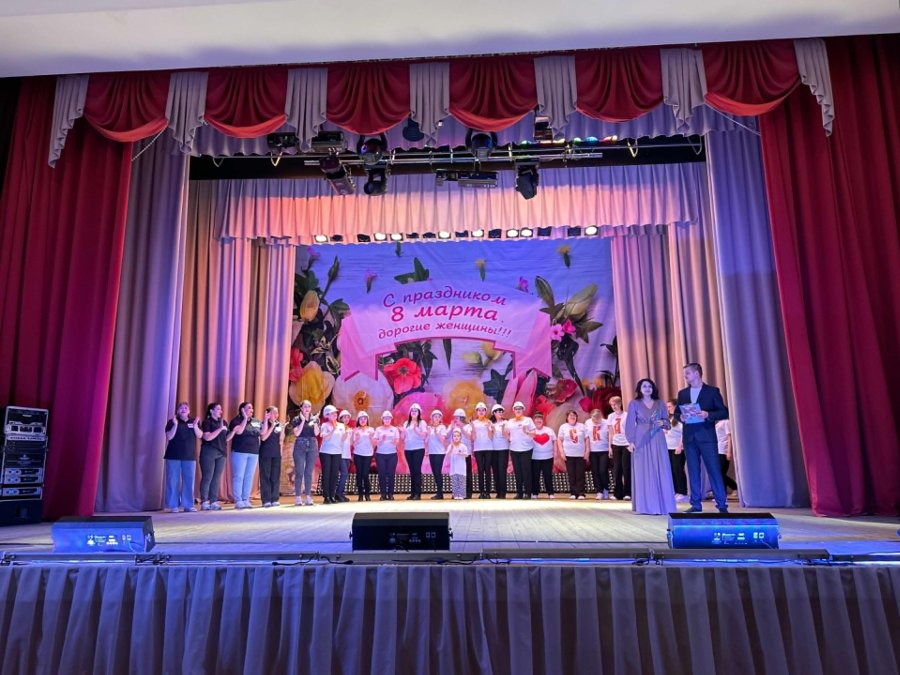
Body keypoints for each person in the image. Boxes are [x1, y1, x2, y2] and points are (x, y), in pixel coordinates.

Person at [674, 363, 729, 513]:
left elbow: (724, 412)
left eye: (687, 373)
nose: (685, 376)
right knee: (693, 471)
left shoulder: (712, 391)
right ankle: (696, 504)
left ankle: (722, 505)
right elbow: (677, 413)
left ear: (697, 374)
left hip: (707, 437)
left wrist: (708, 414)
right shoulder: (683, 393)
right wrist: (681, 417)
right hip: (689, 437)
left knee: (714, 469)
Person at [625, 378, 676, 515]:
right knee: (643, 471)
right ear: (639, 389)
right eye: (644, 386)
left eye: (649, 386)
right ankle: (645, 506)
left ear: (653, 389)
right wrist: (631, 441)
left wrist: (662, 423)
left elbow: (668, 424)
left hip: (657, 438)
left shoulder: (660, 403)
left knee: (661, 468)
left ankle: (663, 505)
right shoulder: (634, 404)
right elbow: (630, 423)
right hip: (641, 438)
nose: (647, 389)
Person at [163, 402, 202, 513]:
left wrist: (195, 426)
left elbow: (200, 435)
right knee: (172, 480)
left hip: (189, 456)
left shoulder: (193, 421)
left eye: (186, 408)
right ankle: (173, 505)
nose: (183, 409)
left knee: (189, 481)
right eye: (181, 408)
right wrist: (175, 425)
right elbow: (169, 437)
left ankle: (188, 505)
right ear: (177, 411)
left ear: (189, 411)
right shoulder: (172, 422)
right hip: (173, 455)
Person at [227, 401, 262, 509]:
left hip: (254, 452)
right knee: (239, 476)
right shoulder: (236, 420)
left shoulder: (256, 421)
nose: (251, 410)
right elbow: (239, 431)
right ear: (242, 409)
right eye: (249, 408)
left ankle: (246, 498)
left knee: (249, 476)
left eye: (252, 408)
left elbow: (260, 433)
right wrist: (245, 419)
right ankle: (238, 500)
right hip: (239, 452)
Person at [290, 400, 320, 506]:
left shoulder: (314, 419)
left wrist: (315, 422)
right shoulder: (296, 419)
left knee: (308, 472)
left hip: (312, 445)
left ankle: (308, 496)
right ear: (301, 408)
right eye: (305, 406)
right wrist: (303, 421)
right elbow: (297, 433)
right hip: (300, 445)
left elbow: (316, 433)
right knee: (299, 472)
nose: (307, 408)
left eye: (309, 406)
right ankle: (298, 497)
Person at [199, 401, 228, 511]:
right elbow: (207, 437)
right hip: (209, 451)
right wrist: (220, 429)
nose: (221, 411)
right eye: (218, 409)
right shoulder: (207, 422)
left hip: (221, 452)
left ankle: (213, 501)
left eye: (221, 409)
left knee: (216, 478)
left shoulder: (223, 422)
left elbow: (226, 438)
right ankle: (204, 501)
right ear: (211, 411)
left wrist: (234, 432)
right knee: (207, 477)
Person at [508, 401, 536, 499]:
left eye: (520, 409)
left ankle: (528, 493)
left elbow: (534, 434)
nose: (518, 410)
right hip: (514, 449)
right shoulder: (510, 421)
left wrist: (527, 432)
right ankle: (519, 493)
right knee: (517, 471)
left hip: (526, 449)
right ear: (513, 410)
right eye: (516, 409)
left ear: (523, 410)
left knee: (526, 471)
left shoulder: (528, 420)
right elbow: (507, 434)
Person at [558, 409, 588, 499]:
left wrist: (587, 451)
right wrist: (561, 452)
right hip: (568, 454)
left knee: (580, 474)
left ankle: (581, 493)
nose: (572, 417)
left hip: (580, 454)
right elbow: (559, 440)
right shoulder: (563, 427)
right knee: (571, 474)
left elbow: (587, 439)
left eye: (574, 415)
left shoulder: (582, 426)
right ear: (567, 418)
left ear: (576, 417)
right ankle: (573, 493)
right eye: (570, 415)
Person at [258, 406, 284, 507]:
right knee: (265, 476)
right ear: (268, 414)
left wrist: (282, 430)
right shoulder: (263, 424)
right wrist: (272, 426)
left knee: (275, 476)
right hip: (265, 453)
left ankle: (274, 498)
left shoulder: (279, 424)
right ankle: (266, 500)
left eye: (277, 413)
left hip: (276, 454)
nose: (276, 415)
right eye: (273, 413)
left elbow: (281, 440)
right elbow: (263, 437)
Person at [401, 403, 428, 500]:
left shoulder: (422, 423)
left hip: (418, 449)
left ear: (419, 412)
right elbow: (403, 438)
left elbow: (424, 436)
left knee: (417, 471)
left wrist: (416, 429)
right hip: (408, 449)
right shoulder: (406, 423)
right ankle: (412, 493)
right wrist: (402, 432)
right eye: (412, 411)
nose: (413, 412)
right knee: (412, 471)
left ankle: (417, 493)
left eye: (415, 411)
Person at [318, 405, 343, 504]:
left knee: (334, 474)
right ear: (327, 415)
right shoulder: (324, 425)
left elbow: (343, 439)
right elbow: (325, 438)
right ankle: (326, 496)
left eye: (335, 413)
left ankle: (332, 495)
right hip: (326, 452)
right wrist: (333, 429)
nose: (334, 415)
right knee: (327, 473)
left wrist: (347, 434)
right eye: (332, 413)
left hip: (337, 452)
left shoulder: (341, 426)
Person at [607, 396, 630, 501]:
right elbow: (611, 432)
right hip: (616, 444)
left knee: (626, 468)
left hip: (626, 444)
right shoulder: (611, 416)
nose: (613, 407)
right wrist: (610, 446)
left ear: (620, 404)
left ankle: (627, 492)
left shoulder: (626, 415)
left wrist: (631, 443)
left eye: (615, 404)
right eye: (612, 405)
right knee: (617, 469)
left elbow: (631, 430)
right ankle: (617, 493)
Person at [665, 399, 688, 502]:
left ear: (675, 406)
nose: (668, 409)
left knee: (678, 469)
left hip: (677, 448)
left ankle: (682, 492)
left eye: (670, 406)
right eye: (667, 407)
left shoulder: (680, 418)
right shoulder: (670, 418)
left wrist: (680, 446)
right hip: (668, 448)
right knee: (671, 470)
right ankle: (675, 491)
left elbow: (684, 433)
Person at [470, 401, 494, 499]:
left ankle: (488, 492)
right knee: (480, 470)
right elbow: (473, 438)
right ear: (476, 412)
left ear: (485, 411)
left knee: (487, 470)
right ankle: (481, 492)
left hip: (488, 448)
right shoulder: (474, 423)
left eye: (483, 410)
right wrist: (473, 428)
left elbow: (491, 437)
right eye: (479, 410)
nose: (481, 412)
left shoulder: (489, 422)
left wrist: (488, 428)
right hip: (478, 449)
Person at [530, 412, 557, 498]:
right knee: (535, 476)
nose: (538, 420)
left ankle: (550, 493)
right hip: (535, 457)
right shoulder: (531, 431)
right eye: (536, 419)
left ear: (543, 420)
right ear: (533, 421)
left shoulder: (549, 430)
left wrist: (555, 452)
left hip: (548, 457)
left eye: (540, 419)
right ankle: (535, 493)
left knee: (548, 475)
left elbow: (555, 441)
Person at [448, 408, 473, 498]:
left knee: (467, 473)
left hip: (466, 453)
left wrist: (461, 427)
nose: (455, 419)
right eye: (455, 417)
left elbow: (469, 437)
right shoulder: (453, 426)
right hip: (455, 455)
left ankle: (468, 493)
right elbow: (447, 436)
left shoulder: (468, 426)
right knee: (455, 473)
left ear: (462, 417)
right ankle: (456, 492)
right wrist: (452, 428)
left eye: (457, 417)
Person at [375, 410, 400, 500]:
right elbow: (375, 442)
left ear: (391, 419)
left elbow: (397, 440)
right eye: (385, 418)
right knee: (382, 475)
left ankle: (390, 494)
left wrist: (395, 442)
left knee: (391, 475)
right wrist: (381, 440)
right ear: (382, 419)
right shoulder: (378, 429)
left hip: (392, 454)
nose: (387, 420)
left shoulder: (394, 429)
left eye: (388, 418)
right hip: (380, 455)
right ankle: (383, 494)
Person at [585, 408, 610, 500]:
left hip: (604, 450)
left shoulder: (606, 423)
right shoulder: (587, 423)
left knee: (603, 470)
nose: (595, 422)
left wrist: (610, 448)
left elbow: (610, 436)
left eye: (597, 420)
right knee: (595, 471)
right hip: (593, 450)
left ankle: (606, 489)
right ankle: (599, 491)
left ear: (600, 417)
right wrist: (587, 450)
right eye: (593, 419)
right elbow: (587, 437)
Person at [352, 411, 375, 501]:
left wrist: (371, 438)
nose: (363, 420)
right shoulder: (355, 430)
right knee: (359, 474)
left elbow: (374, 444)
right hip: (358, 454)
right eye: (361, 419)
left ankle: (367, 493)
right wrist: (357, 438)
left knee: (365, 474)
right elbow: (353, 444)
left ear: (367, 420)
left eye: (365, 418)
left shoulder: (371, 430)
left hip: (368, 454)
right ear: (358, 420)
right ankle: (360, 494)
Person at [426, 409, 448, 499]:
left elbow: (443, 440)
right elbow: (426, 441)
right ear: (432, 418)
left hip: (439, 452)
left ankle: (440, 493)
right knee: (434, 472)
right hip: (432, 452)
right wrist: (428, 433)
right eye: (435, 416)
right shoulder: (429, 428)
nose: (437, 418)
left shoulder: (442, 427)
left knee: (438, 471)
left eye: (439, 417)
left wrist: (436, 433)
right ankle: (438, 492)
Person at [490, 404, 510, 498]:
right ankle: (498, 492)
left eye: (501, 411)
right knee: (495, 471)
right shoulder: (491, 424)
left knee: (502, 470)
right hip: (493, 449)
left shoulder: (506, 422)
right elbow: (490, 437)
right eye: (498, 411)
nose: (500, 413)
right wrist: (492, 430)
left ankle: (503, 492)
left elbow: (507, 437)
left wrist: (503, 430)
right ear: (494, 413)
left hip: (503, 449)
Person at [445, 428, 470, 500]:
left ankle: (461, 495)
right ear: (452, 437)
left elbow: (466, 455)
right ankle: (455, 495)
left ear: (460, 437)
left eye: (458, 436)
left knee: (461, 481)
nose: (456, 437)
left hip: (461, 467)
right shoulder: (450, 446)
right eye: (454, 436)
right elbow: (447, 455)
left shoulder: (463, 446)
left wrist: (461, 453)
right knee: (455, 481)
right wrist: (451, 449)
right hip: (454, 468)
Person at [716, 419, 738, 497]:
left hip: (724, 450)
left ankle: (734, 487)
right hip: (718, 450)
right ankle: (723, 493)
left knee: (720, 473)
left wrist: (729, 451)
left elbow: (730, 436)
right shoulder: (718, 423)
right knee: (720, 473)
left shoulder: (726, 422)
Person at [335, 409, 353, 502]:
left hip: (347, 455)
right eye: (344, 417)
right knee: (344, 473)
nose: (346, 419)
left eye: (348, 417)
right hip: (340, 454)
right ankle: (338, 494)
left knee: (345, 475)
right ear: (340, 418)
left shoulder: (349, 429)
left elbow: (351, 442)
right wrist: (346, 432)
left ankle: (341, 493)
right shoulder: (338, 427)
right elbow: (340, 439)